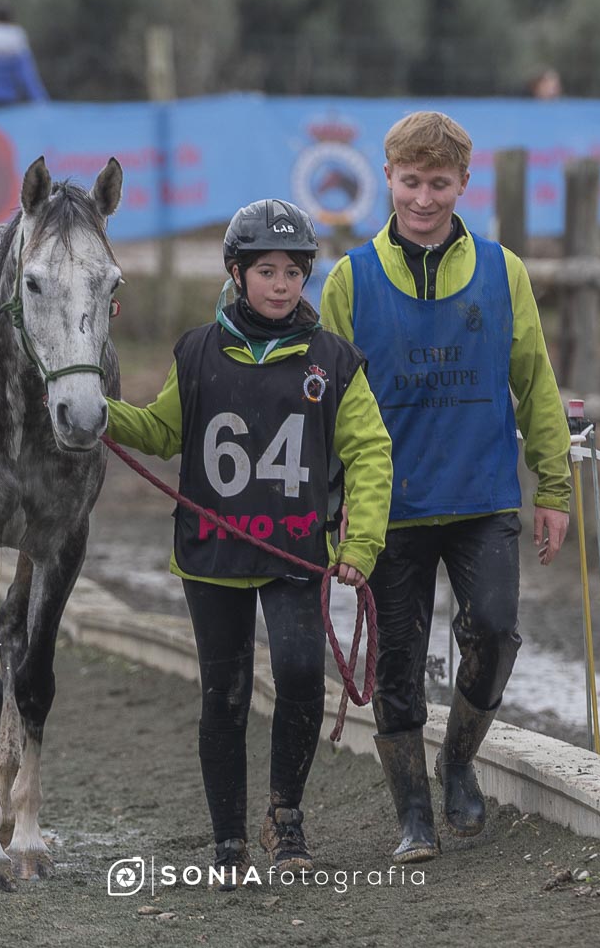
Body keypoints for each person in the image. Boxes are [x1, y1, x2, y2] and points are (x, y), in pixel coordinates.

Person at [106, 199, 392, 881]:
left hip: (295, 554)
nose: (281, 285)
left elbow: (371, 452)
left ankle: (285, 816)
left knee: (301, 673)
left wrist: (361, 545)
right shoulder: (196, 351)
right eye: (266, 271)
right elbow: (163, 431)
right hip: (213, 554)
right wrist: (99, 414)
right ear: (236, 273)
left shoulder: (334, 361)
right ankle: (228, 839)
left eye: (293, 272)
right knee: (224, 694)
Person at [318, 111, 571, 864]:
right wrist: (332, 508)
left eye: (438, 183)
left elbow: (535, 381)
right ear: (387, 179)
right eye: (410, 181)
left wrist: (553, 487)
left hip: (482, 494)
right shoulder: (350, 280)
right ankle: (413, 816)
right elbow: (324, 403)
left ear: (463, 183)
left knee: (493, 629)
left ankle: (458, 759)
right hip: (387, 506)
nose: (423, 198)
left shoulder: (503, 271)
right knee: (395, 662)